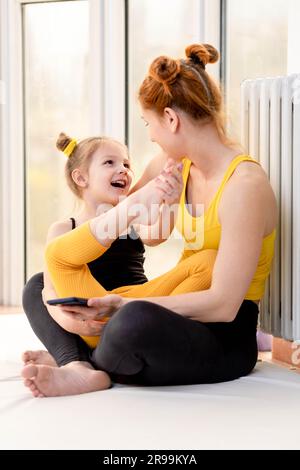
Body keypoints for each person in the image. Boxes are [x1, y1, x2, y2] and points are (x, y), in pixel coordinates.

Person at [22, 43, 277, 398]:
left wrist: (124, 306)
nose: (150, 136)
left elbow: (222, 303)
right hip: (177, 303)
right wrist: (62, 311)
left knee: (130, 324)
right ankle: (79, 360)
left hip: (221, 330)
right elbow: (128, 227)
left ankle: (78, 356)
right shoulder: (173, 164)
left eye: (149, 124)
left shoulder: (244, 187)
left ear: (171, 119)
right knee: (38, 286)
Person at [22, 128, 217, 396]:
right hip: (92, 314)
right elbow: (51, 291)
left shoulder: (129, 219)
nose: (123, 169)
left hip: (132, 308)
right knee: (36, 285)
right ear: (81, 177)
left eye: (126, 163)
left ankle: (80, 358)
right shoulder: (63, 229)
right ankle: (74, 362)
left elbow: (157, 236)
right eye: (110, 163)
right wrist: (72, 323)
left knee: (208, 261)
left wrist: (171, 202)